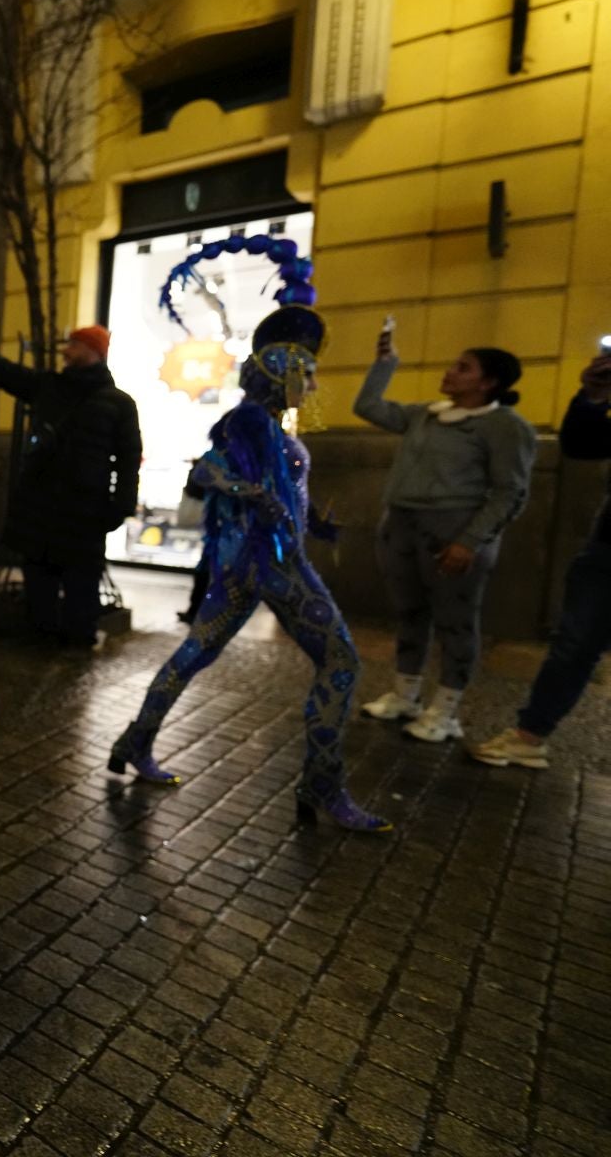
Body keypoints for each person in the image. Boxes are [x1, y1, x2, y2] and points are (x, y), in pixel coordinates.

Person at [109, 235, 389, 833]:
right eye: (305, 374)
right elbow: (210, 472)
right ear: (284, 372)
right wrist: (257, 497)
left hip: (258, 563)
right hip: (270, 564)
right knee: (341, 661)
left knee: (194, 654)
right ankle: (321, 784)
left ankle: (135, 742)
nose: (311, 386)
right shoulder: (247, 420)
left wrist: (311, 518)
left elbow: (275, 488)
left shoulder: (277, 432)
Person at [354, 338, 537, 742]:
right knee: (409, 613)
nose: (450, 371)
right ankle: (406, 696)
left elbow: (510, 492)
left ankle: (446, 710)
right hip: (401, 525)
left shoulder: (505, 426)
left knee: (456, 621)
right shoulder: (427, 415)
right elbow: (367, 408)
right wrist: (385, 364)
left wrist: (470, 541)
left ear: (488, 383)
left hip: (453, 531)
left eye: (463, 367)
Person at [0, 308, 141, 646]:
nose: (66, 349)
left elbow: (129, 460)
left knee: (81, 583)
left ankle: (78, 644)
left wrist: (119, 509)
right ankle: (42, 639)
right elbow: (2, 372)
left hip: (85, 512)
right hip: (40, 509)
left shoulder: (119, 403)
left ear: (94, 352)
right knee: (39, 577)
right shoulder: (48, 387)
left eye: (75, 344)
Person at [469, 353, 611, 768]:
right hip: (608, 548)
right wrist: (593, 396)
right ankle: (529, 737)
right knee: (574, 645)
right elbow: (582, 444)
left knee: (576, 645)